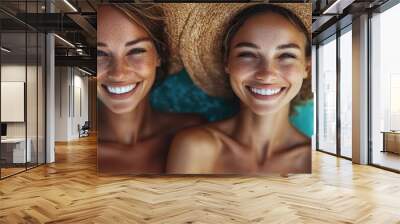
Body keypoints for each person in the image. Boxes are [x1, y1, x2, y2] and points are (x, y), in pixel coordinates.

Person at [167, 3, 312, 174]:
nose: (266, 75)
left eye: (286, 55)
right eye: (247, 54)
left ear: (307, 68)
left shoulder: (317, 160)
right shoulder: (194, 146)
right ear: (227, 62)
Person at [97, 4, 203, 174]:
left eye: (136, 50)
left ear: (159, 55)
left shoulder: (194, 131)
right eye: (99, 53)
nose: (118, 74)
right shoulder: (74, 155)